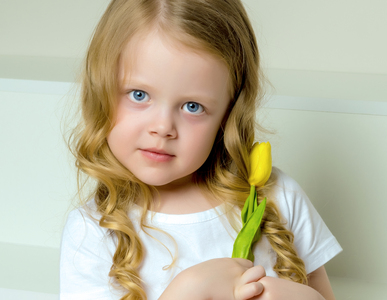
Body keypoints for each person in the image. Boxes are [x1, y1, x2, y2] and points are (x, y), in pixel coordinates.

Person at [60, 0, 342, 299]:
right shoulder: (91, 232)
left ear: (228, 113)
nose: (162, 127)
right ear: (100, 90)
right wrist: (185, 292)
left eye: (192, 106)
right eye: (139, 94)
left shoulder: (279, 197)